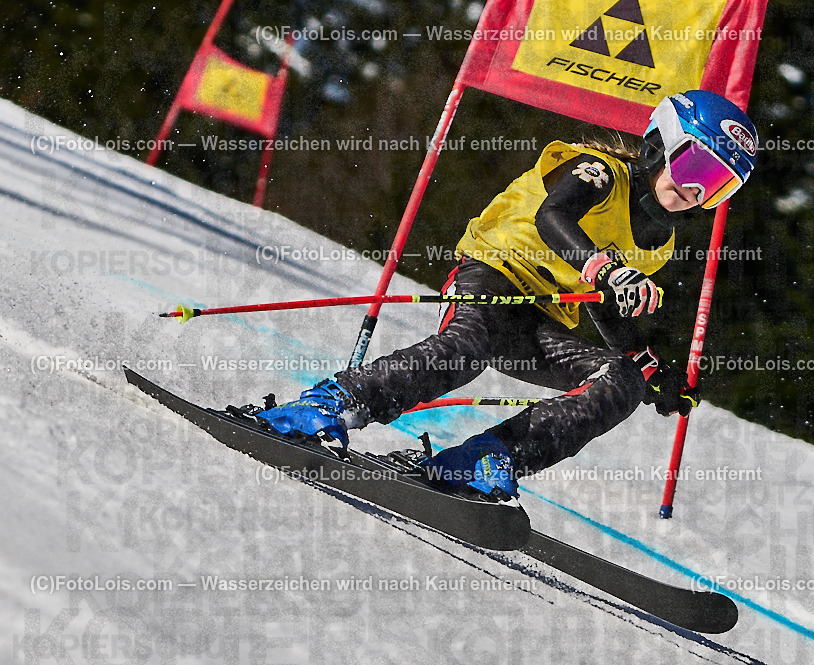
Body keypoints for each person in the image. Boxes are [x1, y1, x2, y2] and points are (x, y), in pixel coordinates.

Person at [251, 90, 758, 500]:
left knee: (618, 382)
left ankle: (483, 459)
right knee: (469, 345)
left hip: (537, 319)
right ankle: (332, 404)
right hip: (493, 274)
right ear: (657, 146)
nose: (697, 192)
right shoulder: (599, 173)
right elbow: (553, 217)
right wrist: (604, 267)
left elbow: (605, 304)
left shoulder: (659, 243)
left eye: (717, 186)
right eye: (695, 168)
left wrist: (648, 370)